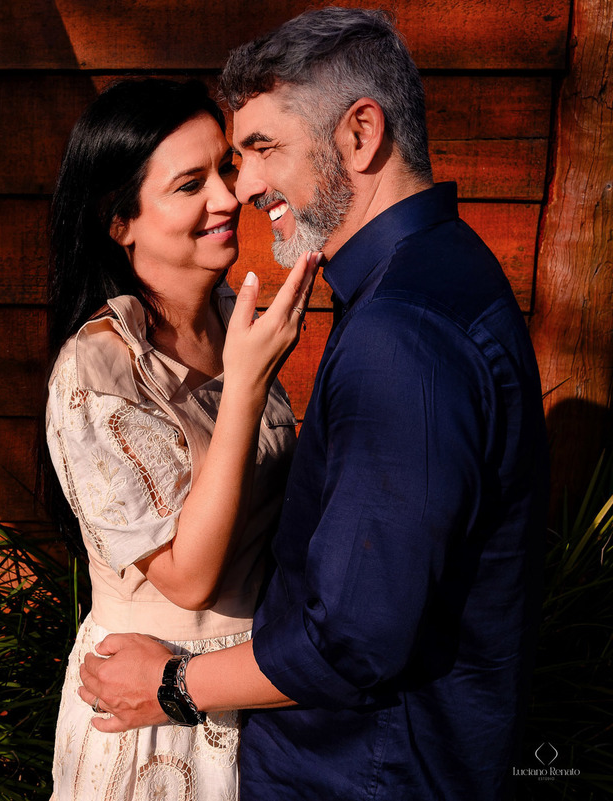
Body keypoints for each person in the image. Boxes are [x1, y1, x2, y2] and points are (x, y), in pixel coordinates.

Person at [77, 9, 550, 800]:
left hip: (363, 770)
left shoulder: (402, 334)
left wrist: (172, 684)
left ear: (361, 135)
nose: (245, 187)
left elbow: (353, 637)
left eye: (264, 148)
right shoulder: (437, 270)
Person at [42, 77, 318, 799]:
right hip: (151, 706)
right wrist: (246, 386)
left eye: (225, 169)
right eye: (191, 184)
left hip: (255, 683)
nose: (228, 197)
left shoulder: (231, 317)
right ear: (120, 222)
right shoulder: (99, 370)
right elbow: (189, 576)